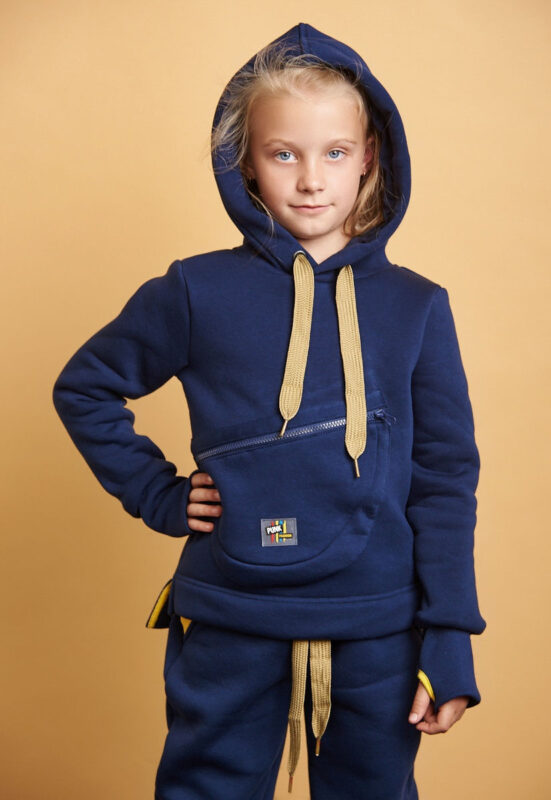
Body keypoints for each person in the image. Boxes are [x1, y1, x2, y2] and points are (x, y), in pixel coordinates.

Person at [52, 22, 486, 800]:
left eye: (335, 153)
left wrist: (450, 631)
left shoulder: (418, 307)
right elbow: (85, 386)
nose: (311, 180)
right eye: (284, 154)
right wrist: (157, 493)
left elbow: (445, 478)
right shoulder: (195, 291)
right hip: (230, 617)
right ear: (245, 162)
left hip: (379, 629)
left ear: (371, 156)